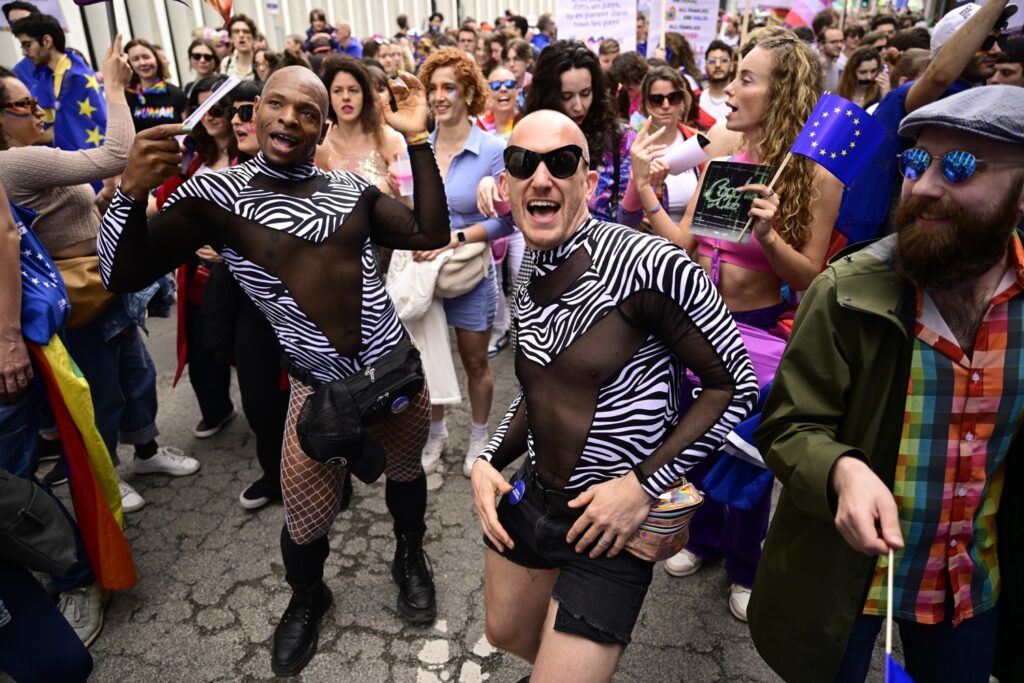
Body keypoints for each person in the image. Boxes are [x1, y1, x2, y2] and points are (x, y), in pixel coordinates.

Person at [97, 65, 449, 677]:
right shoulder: (214, 198)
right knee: (306, 516)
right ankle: (309, 596)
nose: (290, 118)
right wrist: (128, 191)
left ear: (321, 128)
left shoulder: (352, 191)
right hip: (320, 392)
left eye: (307, 112)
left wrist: (419, 139)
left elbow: (431, 230)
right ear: (256, 115)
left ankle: (409, 554)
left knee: (404, 474)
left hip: (394, 373)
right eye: (278, 105)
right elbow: (120, 275)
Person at [470, 108, 757, 682]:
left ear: (589, 182)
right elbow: (539, 387)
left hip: (611, 526)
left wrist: (640, 488)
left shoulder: (651, 264)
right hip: (531, 500)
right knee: (505, 632)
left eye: (562, 162)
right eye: (524, 164)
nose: (542, 177)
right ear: (507, 187)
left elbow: (735, 387)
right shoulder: (529, 265)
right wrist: (485, 459)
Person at [749, 85, 1024, 683]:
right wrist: (841, 470)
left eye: (959, 167)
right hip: (843, 578)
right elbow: (790, 425)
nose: (925, 186)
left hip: (967, 582)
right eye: (916, 163)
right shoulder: (845, 290)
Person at [630, 32, 842, 621]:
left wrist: (770, 236)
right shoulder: (723, 146)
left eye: (746, 78)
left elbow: (810, 279)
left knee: (746, 457)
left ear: (783, 92)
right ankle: (701, 539)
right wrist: (647, 190)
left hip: (762, 335)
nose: (728, 89)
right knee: (693, 440)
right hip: (699, 324)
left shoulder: (817, 173)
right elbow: (684, 242)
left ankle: (747, 567)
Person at [412, 49, 508, 478]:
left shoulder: (492, 149)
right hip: (425, 274)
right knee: (429, 359)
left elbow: (509, 220)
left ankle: (479, 434)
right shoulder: (419, 148)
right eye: (432, 89)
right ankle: (437, 430)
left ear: (468, 93)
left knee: (474, 361)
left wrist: (455, 237)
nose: (438, 97)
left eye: (447, 87)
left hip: (470, 271)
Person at [154, 75, 239, 444]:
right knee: (203, 344)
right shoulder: (189, 154)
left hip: (246, 273)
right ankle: (216, 408)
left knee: (250, 352)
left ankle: (269, 417)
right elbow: (162, 202)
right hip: (198, 272)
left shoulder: (253, 151)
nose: (210, 115)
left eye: (218, 107)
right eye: (201, 107)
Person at [11, 13, 107, 154]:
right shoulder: (45, 76)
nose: (24, 52)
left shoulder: (77, 78)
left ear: (47, 41)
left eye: (27, 45)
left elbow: (69, 132)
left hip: (85, 165)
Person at [618, 66, 703, 226]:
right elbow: (621, 217)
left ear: (682, 102)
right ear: (644, 103)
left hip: (689, 244)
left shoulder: (696, 140)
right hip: (641, 242)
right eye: (656, 99)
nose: (666, 105)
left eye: (673, 98)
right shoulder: (628, 141)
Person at [316, 56, 405, 190]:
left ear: (365, 95)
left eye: (353, 90)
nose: (346, 97)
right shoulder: (321, 146)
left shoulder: (391, 140)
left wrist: (396, 186)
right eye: (337, 91)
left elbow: (411, 203)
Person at [124, 38, 187, 132]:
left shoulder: (176, 93)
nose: (142, 63)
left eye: (146, 57)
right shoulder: (126, 96)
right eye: (135, 59)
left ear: (156, 59)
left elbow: (187, 129)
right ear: (129, 64)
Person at [700, 40, 734, 122]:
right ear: (705, 67)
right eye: (712, 61)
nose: (718, 65)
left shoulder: (740, 101)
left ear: (732, 65)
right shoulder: (697, 101)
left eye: (724, 60)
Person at [221, 14, 258, 79]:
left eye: (246, 31)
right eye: (236, 31)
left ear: (254, 37)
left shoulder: (261, 63)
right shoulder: (226, 63)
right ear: (230, 38)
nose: (241, 35)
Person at [505, 39, 534, 108]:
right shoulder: (499, 86)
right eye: (508, 60)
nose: (511, 64)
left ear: (527, 62)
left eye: (516, 59)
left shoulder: (535, 87)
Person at [818, 26, 845, 92]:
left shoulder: (841, 69)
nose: (839, 45)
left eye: (841, 41)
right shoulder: (810, 69)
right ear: (821, 45)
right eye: (833, 42)